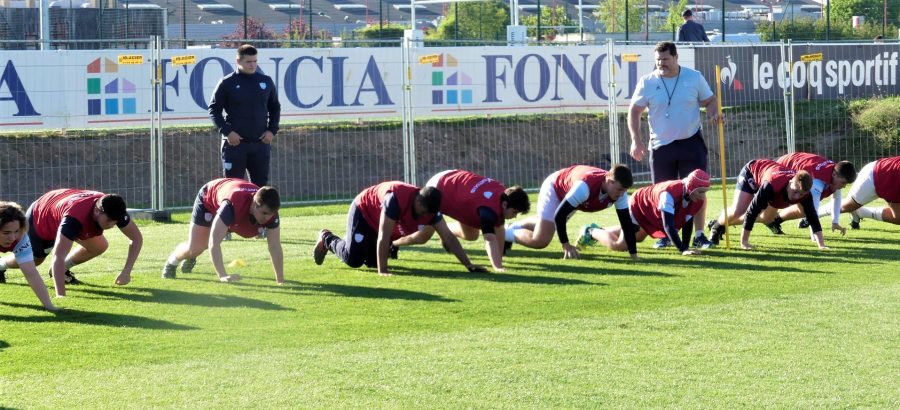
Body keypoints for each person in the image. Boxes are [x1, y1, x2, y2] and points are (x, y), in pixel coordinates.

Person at [628, 41, 721, 249]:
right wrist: (636, 140)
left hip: (691, 142)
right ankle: (665, 235)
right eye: (658, 60)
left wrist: (715, 114)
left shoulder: (694, 77)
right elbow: (634, 111)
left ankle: (699, 234)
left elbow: (710, 101)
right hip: (661, 146)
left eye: (665, 59)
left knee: (698, 190)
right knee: (661, 194)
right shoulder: (647, 82)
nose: (661, 63)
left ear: (676, 57)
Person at [313, 182, 485, 275]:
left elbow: (449, 237)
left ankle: (355, 240)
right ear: (418, 201)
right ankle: (327, 238)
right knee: (353, 259)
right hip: (364, 212)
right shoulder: (395, 199)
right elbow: (383, 236)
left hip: (378, 224)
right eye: (423, 212)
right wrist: (383, 272)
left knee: (372, 262)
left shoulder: (430, 210)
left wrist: (468, 264)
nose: (424, 217)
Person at [0, 189, 142, 297]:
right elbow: (58, 257)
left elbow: (136, 238)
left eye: (116, 221)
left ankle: (63, 271)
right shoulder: (74, 219)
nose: (113, 225)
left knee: (100, 246)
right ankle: (1, 265)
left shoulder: (113, 208)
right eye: (110, 220)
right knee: (35, 260)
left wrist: (126, 272)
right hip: (41, 215)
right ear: (98, 212)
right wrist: (61, 295)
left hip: (61, 205)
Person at [393, 169, 531, 272]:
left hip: (454, 182)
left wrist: (499, 261)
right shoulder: (488, 209)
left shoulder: (502, 194)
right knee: (422, 237)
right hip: (440, 187)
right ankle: (393, 243)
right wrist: (497, 267)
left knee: (472, 235)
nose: (515, 216)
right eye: (514, 212)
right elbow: (489, 238)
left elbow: (499, 229)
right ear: (505, 205)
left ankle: (445, 232)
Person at [162, 178, 283, 284]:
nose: (267, 218)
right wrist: (223, 275)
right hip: (208, 201)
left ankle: (192, 256)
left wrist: (280, 281)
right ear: (253, 205)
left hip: (234, 209)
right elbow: (213, 242)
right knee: (196, 247)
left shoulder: (271, 212)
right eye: (264, 213)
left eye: (271, 214)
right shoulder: (232, 205)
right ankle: (171, 263)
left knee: (204, 243)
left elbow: (275, 246)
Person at [504, 164, 638, 260]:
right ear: (609, 181)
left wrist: (633, 254)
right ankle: (504, 233)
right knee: (541, 240)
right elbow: (560, 215)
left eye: (625, 190)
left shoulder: (619, 193)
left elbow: (626, 224)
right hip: (555, 188)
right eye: (620, 189)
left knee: (548, 225)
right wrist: (566, 246)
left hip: (571, 192)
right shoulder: (584, 188)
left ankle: (514, 227)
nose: (622, 194)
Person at [579, 169, 710, 256]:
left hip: (651, 210)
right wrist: (683, 249)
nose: (702, 196)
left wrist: (687, 247)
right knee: (621, 246)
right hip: (639, 205)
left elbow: (687, 221)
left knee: (639, 237)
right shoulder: (668, 194)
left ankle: (602, 230)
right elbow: (668, 226)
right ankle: (591, 231)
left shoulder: (693, 196)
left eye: (705, 192)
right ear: (691, 187)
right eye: (700, 191)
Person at [708, 159, 826, 250]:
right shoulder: (771, 185)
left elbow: (812, 217)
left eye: (800, 195)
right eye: (795, 192)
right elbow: (752, 211)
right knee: (739, 210)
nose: (796, 197)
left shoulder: (805, 194)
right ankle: (717, 226)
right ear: (790, 182)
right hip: (752, 173)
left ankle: (726, 223)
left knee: (767, 218)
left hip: (771, 178)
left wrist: (821, 245)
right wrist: (744, 242)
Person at [209, 44, 281, 188]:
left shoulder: (266, 81)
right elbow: (214, 110)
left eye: (255, 61)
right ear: (238, 61)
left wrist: (272, 131)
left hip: (260, 144)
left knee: (260, 189)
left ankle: (259, 212)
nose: (252, 65)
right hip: (235, 145)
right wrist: (227, 132)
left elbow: (275, 108)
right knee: (234, 188)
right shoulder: (226, 83)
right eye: (248, 61)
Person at [765, 152, 856, 235]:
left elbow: (836, 197)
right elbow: (813, 212)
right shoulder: (817, 183)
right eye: (843, 183)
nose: (844, 186)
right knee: (768, 212)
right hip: (783, 165)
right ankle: (754, 218)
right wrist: (816, 239)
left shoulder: (835, 172)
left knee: (802, 210)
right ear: (834, 175)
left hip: (793, 161)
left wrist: (835, 222)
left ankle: (775, 221)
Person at [0, 202, 57, 311]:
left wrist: (50, 307)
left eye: (16, 231)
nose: (12, 238)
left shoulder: (21, 237)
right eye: (6, 233)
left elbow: (31, 273)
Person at [819, 156, 900, 228]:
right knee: (847, 206)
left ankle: (860, 213)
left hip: (890, 181)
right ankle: (812, 215)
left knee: (898, 218)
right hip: (874, 175)